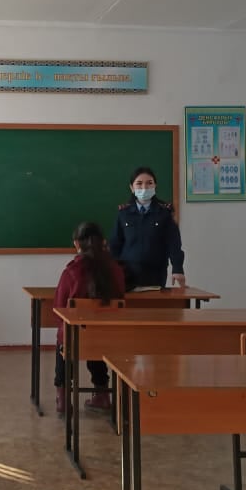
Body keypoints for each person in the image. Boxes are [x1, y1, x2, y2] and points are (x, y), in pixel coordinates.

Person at [53, 221, 126, 415]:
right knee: (97, 334)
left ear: (77, 244)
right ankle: (102, 394)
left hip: (78, 338)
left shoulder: (71, 272)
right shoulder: (116, 270)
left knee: (65, 338)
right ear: (103, 242)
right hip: (111, 338)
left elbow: (59, 309)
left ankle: (63, 397)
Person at [109, 166, 185, 289]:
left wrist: (178, 269)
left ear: (155, 186)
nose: (144, 188)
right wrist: (113, 270)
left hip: (156, 273)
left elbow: (173, 243)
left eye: (149, 183)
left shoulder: (164, 213)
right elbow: (115, 244)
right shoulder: (124, 213)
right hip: (128, 273)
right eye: (139, 184)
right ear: (132, 188)